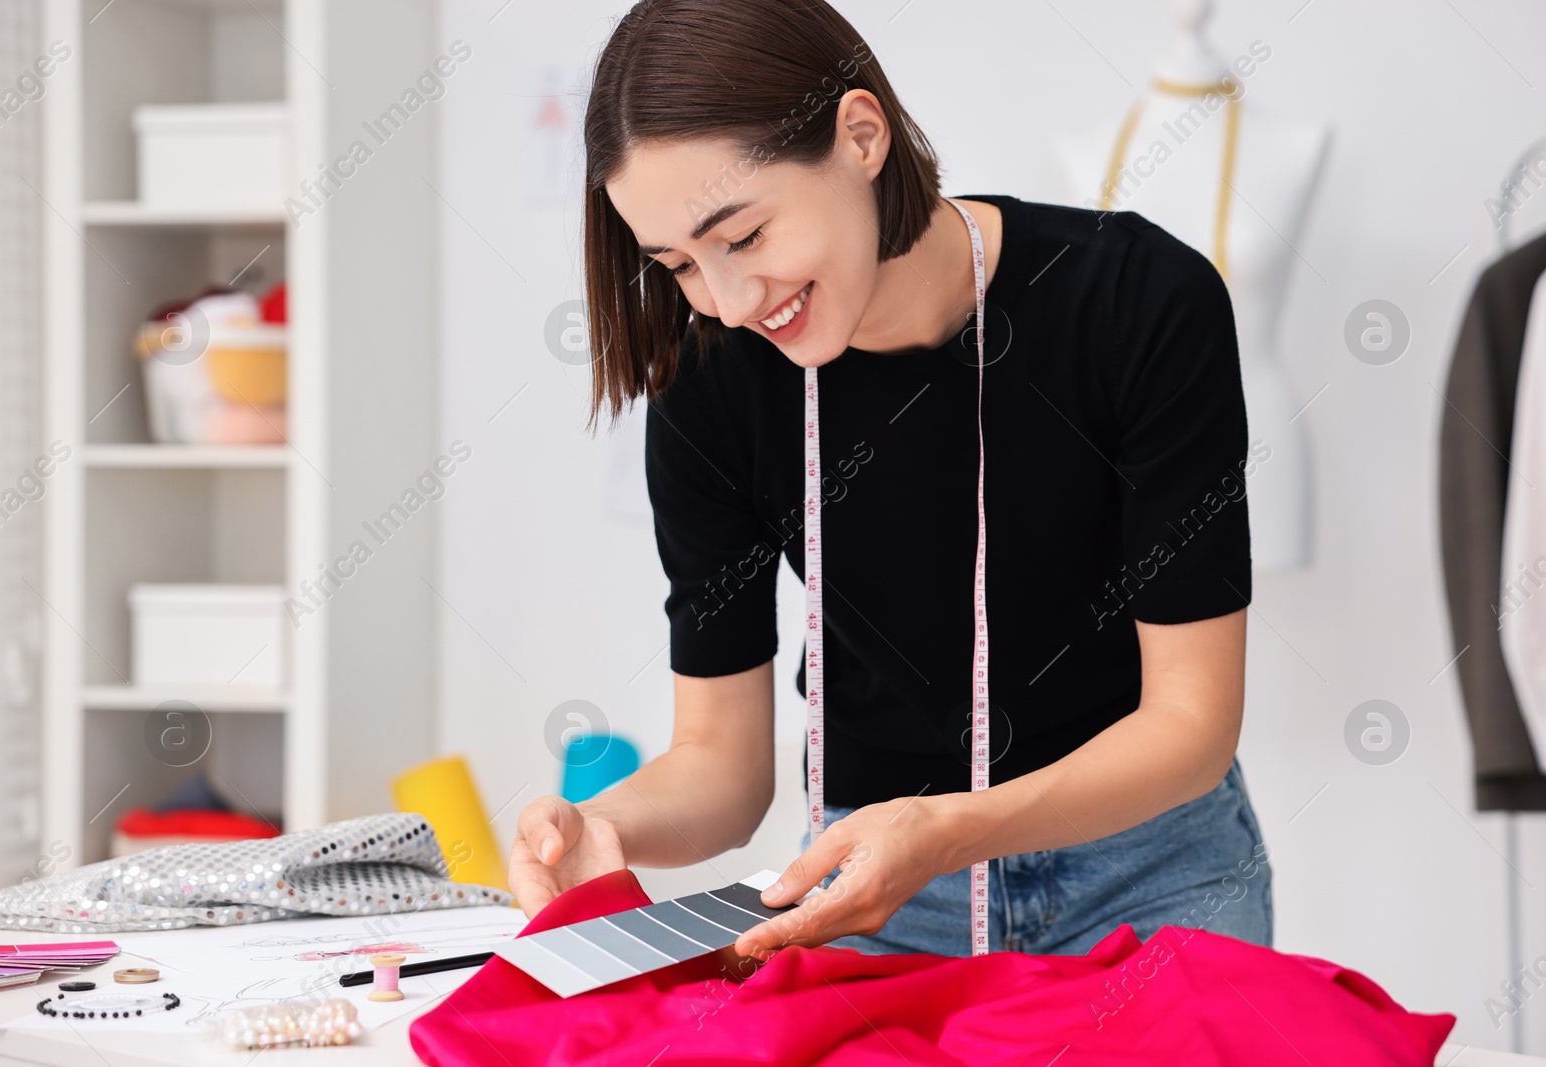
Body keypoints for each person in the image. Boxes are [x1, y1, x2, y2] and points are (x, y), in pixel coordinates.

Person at [508, 0, 1273, 961]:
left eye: (742, 237)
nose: (732, 302)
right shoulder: (712, 386)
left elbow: (1192, 723)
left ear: (860, 136)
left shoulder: (1139, 305)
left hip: (1154, 876)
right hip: (877, 892)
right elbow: (723, 763)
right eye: (679, 265)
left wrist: (950, 830)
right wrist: (607, 829)